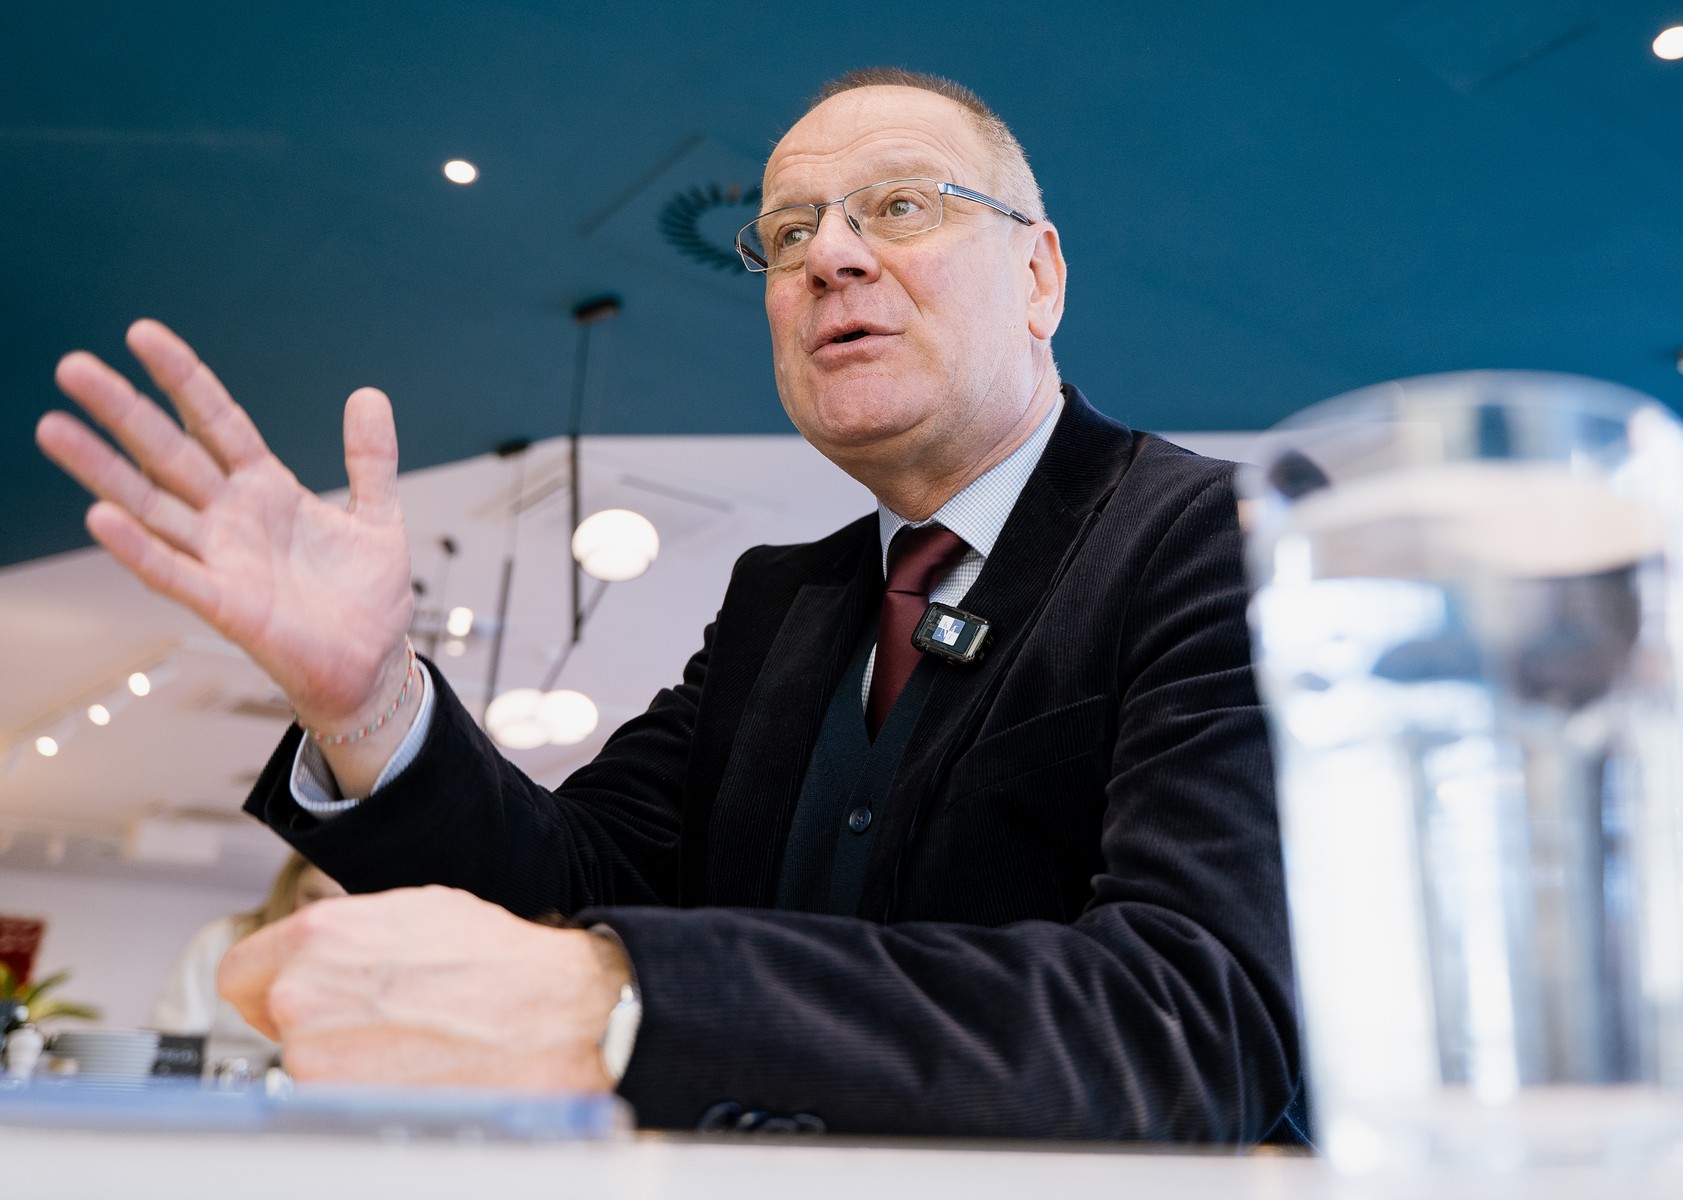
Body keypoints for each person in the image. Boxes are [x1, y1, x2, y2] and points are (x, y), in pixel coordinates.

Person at [36, 69, 1300, 1140]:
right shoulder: (778, 605)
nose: (831, 256)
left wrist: (624, 1003)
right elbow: (566, 883)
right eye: (788, 233)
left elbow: (1199, 1020)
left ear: (1039, 276)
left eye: (900, 206)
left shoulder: (1218, 543)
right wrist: (367, 699)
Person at [148, 852, 344, 1070]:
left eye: (337, 902)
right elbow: (175, 1038)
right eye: (312, 896)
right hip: (218, 1081)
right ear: (289, 890)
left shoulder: (355, 962)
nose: (319, 912)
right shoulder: (223, 939)